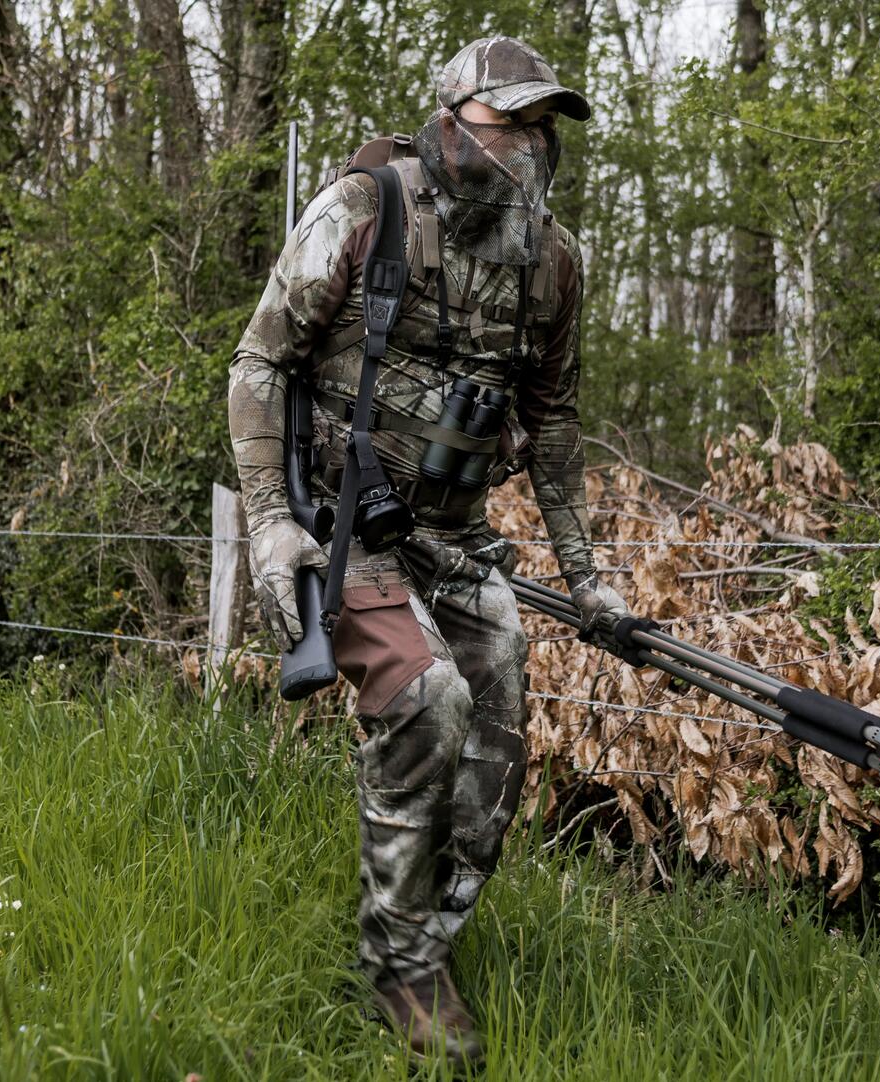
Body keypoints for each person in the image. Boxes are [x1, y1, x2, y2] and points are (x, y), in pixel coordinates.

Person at [226, 35, 626, 1066]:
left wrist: (588, 578)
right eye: (511, 123)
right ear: (453, 121)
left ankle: (433, 936)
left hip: (456, 535)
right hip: (344, 524)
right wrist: (271, 517)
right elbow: (262, 360)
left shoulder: (556, 263)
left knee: (494, 744)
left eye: (544, 127)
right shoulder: (367, 209)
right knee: (428, 696)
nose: (530, 148)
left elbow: (560, 421)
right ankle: (396, 961)